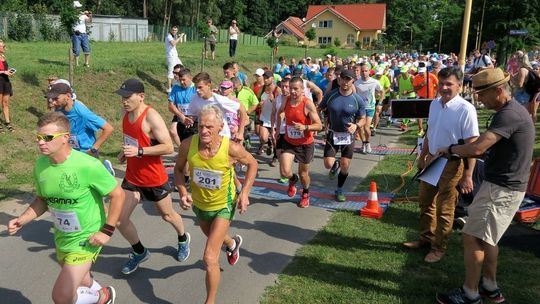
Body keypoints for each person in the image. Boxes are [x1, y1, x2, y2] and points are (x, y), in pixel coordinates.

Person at [435, 68, 535, 304]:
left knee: (472, 237)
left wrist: (451, 150)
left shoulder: (509, 114)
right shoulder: (509, 111)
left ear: (499, 90)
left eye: (482, 94)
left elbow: (478, 147)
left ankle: (470, 294)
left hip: (502, 188)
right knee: (488, 239)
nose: (479, 99)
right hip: (504, 185)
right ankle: (489, 287)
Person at [8, 111, 124, 304]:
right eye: (38, 137)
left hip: (87, 238)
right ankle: (100, 294)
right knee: (82, 280)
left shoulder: (87, 165)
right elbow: (42, 200)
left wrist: (107, 231)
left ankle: (103, 296)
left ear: (65, 138)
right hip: (62, 237)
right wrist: (22, 219)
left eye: (47, 138)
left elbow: (117, 194)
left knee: (62, 296)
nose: (41, 142)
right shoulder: (41, 165)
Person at [174, 104, 257, 304]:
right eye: (201, 126)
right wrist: (183, 192)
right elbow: (178, 171)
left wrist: (244, 193)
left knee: (210, 258)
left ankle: (209, 301)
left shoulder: (231, 148)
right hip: (200, 205)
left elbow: (252, 164)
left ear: (220, 127)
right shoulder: (188, 145)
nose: (204, 131)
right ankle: (231, 243)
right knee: (212, 235)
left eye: (209, 127)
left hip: (223, 205)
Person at [403, 67, 479, 263]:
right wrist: (423, 155)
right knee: (425, 200)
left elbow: (472, 144)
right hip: (433, 160)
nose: (444, 88)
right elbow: (430, 130)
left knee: (444, 207)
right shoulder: (435, 104)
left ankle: (439, 248)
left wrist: (468, 174)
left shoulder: (466, 109)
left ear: (460, 86)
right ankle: (426, 239)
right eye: (441, 84)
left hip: (453, 162)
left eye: (449, 84)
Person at [115, 79, 191, 274]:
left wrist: (139, 151)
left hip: (153, 178)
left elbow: (168, 147)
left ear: (141, 96)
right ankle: (139, 252)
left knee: (167, 215)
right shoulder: (126, 114)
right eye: (122, 97)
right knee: (119, 220)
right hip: (132, 177)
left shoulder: (151, 117)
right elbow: (133, 140)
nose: (124, 101)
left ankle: (183, 238)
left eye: (128, 97)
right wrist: (126, 152)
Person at [47, 82, 116, 176]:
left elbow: (108, 128)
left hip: (86, 155)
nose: (53, 102)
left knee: (94, 186)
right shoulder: (59, 110)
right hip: (71, 154)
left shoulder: (82, 113)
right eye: (52, 99)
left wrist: (93, 149)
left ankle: (105, 171)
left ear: (68, 96)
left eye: (56, 98)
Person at [318, 69, 366, 202]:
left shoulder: (358, 100)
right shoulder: (331, 95)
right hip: (333, 134)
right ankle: (335, 165)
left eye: (348, 79)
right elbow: (319, 108)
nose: (345, 82)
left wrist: (356, 126)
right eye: (343, 79)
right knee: (328, 164)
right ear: (339, 80)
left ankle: (339, 189)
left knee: (345, 166)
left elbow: (363, 119)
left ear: (353, 81)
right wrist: (320, 121)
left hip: (348, 137)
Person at [276, 76, 322, 208]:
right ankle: (292, 179)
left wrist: (305, 127)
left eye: (296, 89)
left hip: (305, 143)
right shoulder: (286, 100)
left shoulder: (307, 104)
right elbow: (280, 112)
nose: (292, 92)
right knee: (284, 171)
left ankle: (305, 193)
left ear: (303, 89)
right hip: (289, 141)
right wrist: (278, 129)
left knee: (303, 174)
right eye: (291, 89)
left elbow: (319, 125)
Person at [188, 72, 247, 142]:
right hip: (205, 136)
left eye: (200, 87)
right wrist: (189, 120)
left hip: (222, 136)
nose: (197, 90)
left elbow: (242, 109)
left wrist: (240, 132)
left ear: (208, 85)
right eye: (196, 87)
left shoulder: (219, 99)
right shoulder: (194, 98)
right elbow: (193, 115)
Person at [354, 63, 383, 153]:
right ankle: (363, 143)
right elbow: (354, 95)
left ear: (369, 71)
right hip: (360, 108)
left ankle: (368, 143)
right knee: (360, 127)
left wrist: (380, 104)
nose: (364, 73)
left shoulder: (374, 82)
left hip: (370, 107)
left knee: (366, 127)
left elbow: (382, 92)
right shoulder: (356, 83)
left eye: (366, 71)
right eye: (362, 71)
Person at [168, 67, 196, 148]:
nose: (182, 82)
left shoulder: (196, 88)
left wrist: (193, 116)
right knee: (184, 145)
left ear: (190, 78)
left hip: (194, 121)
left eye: (184, 80)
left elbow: (202, 105)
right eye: (180, 80)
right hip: (181, 120)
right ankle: (182, 154)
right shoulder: (176, 88)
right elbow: (170, 105)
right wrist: (181, 116)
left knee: (192, 146)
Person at [412, 63, 438, 137]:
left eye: (422, 72)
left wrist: (436, 95)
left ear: (425, 70)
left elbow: (438, 85)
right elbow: (414, 89)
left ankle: (431, 129)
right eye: (419, 72)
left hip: (431, 98)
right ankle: (421, 129)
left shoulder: (431, 76)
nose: (421, 74)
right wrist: (422, 85)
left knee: (431, 114)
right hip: (421, 97)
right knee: (419, 114)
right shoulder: (416, 77)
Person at [71, 1, 92, 67]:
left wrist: (90, 15)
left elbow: (89, 22)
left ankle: (86, 63)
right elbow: (74, 19)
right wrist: (83, 13)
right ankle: (76, 64)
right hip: (76, 35)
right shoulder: (72, 15)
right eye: (77, 7)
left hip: (84, 34)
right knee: (76, 50)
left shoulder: (83, 15)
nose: (79, 8)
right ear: (74, 7)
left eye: (79, 7)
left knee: (87, 49)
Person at [0, 39, 14, 133]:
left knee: (6, 103)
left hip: (6, 81)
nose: (5, 48)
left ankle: (7, 122)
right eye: (3, 46)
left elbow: (5, 68)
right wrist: (3, 72)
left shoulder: (3, 56)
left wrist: (8, 72)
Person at [165, 26, 184, 93]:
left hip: (175, 56)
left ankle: (175, 84)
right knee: (170, 72)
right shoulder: (169, 36)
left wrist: (179, 37)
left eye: (175, 30)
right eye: (173, 30)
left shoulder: (173, 36)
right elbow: (173, 43)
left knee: (181, 69)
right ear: (171, 30)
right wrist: (180, 37)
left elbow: (180, 42)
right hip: (171, 57)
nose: (174, 31)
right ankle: (169, 89)